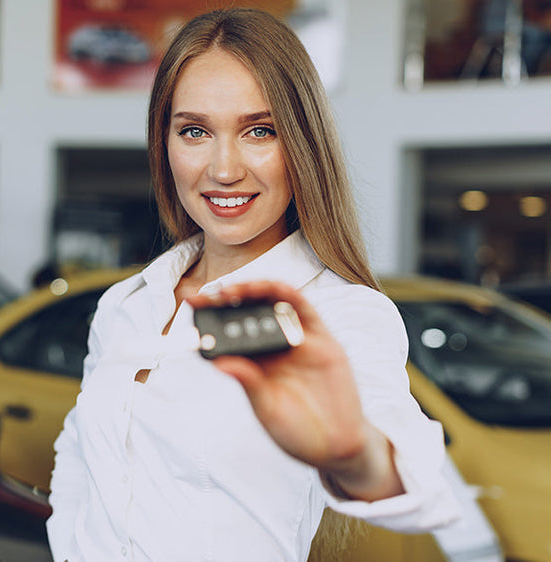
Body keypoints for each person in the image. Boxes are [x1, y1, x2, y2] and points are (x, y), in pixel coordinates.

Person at [47, 8, 460, 561]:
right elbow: (77, 466)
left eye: (259, 131)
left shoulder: (338, 313)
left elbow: (421, 487)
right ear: (163, 142)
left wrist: (354, 453)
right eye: (194, 131)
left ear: (303, 145)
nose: (223, 168)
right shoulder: (127, 304)